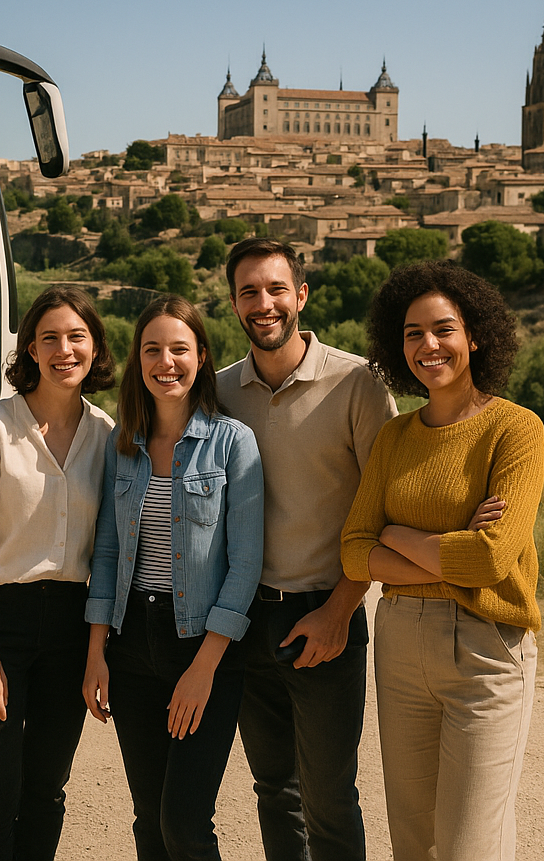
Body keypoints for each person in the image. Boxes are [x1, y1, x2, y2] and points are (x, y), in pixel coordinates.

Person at [341, 260, 544, 861]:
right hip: (401, 645)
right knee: (413, 844)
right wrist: (441, 547)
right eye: (412, 333)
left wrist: (395, 534)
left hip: (485, 650)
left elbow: (491, 559)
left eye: (443, 329)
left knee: (469, 849)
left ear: (474, 335)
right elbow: (354, 551)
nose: (428, 345)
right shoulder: (395, 437)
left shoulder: (514, 430)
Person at [216, 238, 397, 861]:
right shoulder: (218, 393)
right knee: (273, 790)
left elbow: (384, 512)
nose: (262, 304)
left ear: (301, 295)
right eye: (248, 292)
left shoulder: (358, 384)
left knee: (329, 797)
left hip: (325, 613)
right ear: (234, 303)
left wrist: (340, 612)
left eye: (274, 290)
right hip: (242, 620)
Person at [84, 295, 264, 861]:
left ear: (202, 356)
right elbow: (109, 554)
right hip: (131, 642)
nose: (167, 361)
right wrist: (97, 654)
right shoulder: (124, 446)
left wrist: (204, 668)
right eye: (153, 349)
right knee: (148, 820)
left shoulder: (234, 442)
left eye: (179, 349)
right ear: (139, 360)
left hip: (204, 647)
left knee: (184, 824)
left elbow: (246, 563)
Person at [0, 285, 115, 861]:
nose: (64, 350)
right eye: (50, 339)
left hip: (72, 625)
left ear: (94, 347)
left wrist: (96, 653)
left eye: (76, 337)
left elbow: (110, 555)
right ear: (30, 350)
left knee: (47, 789)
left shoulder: (108, 435)